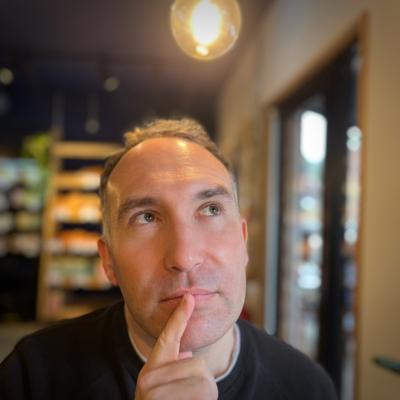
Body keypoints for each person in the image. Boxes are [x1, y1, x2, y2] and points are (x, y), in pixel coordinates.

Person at [0, 118, 337, 399]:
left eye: (211, 209)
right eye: (146, 217)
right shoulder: (31, 378)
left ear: (243, 241)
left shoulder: (308, 387)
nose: (185, 257)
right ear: (109, 261)